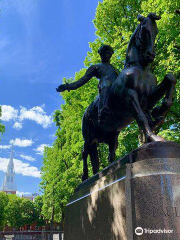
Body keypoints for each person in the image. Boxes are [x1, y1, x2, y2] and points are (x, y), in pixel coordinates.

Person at [56, 45, 119, 123]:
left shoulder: (115, 69)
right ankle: (103, 110)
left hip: (117, 88)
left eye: (108, 53)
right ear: (100, 54)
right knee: (106, 83)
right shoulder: (96, 67)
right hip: (105, 86)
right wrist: (67, 86)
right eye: (103, 53)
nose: (106, 55)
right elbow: (82, 80)